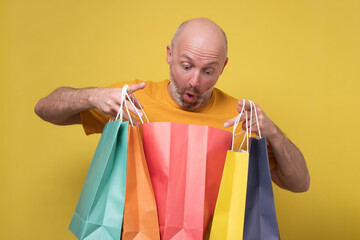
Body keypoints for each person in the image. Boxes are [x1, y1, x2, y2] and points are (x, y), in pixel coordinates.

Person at [35, 18, 310, 193]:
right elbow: (44, 109)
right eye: (186, 66)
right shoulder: (132, 99)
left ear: (223, 67)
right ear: (169, 55)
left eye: (208, 71)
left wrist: (272, 132)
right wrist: (93, 96)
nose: (194, 82)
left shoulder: (238, 118)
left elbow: (299, 184)